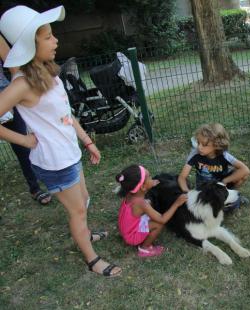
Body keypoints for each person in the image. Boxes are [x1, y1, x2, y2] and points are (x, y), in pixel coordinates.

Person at [0, 5, 121, 277]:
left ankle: (86, 234)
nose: (56, 41)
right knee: (77, 211)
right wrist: (24, 140)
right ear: (31, 44)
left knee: (85, 199)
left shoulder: (46, 72)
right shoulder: (21, 84)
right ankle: (92, 259)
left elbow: (65, 113)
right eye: (47, 37)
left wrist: (87, 141)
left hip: (69, 153)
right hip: (53, 162)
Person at [0, 34, 51, 205]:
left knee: (23, 149)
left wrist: (21, 87)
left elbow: (12, 62)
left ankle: (35, 187)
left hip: (7, 96)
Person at [116, 165, 187, 257]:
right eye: (149, 177)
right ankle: (144, 248)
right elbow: (162, 219)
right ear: (142, 187)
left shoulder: (130, 193)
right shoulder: (141, 203)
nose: (151, 178)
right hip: (131, 236)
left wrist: (150, 184)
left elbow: (141, 196)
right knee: (158, 224)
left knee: (148, 204)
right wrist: (177, 203)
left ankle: (138, 238)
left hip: (125, 229)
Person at [178, 123, 250, 212]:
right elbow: (182, 177)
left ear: (216, 145)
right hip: (205, 188)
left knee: (242, 175)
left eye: (204, 145)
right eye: (198, 142)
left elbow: (245, 170)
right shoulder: (195, 154)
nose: (199, 147)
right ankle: (225, 202)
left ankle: (229, 195)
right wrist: (188, 193)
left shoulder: (224, 155)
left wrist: (224, 182)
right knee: (219, 208)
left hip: (222, 184)